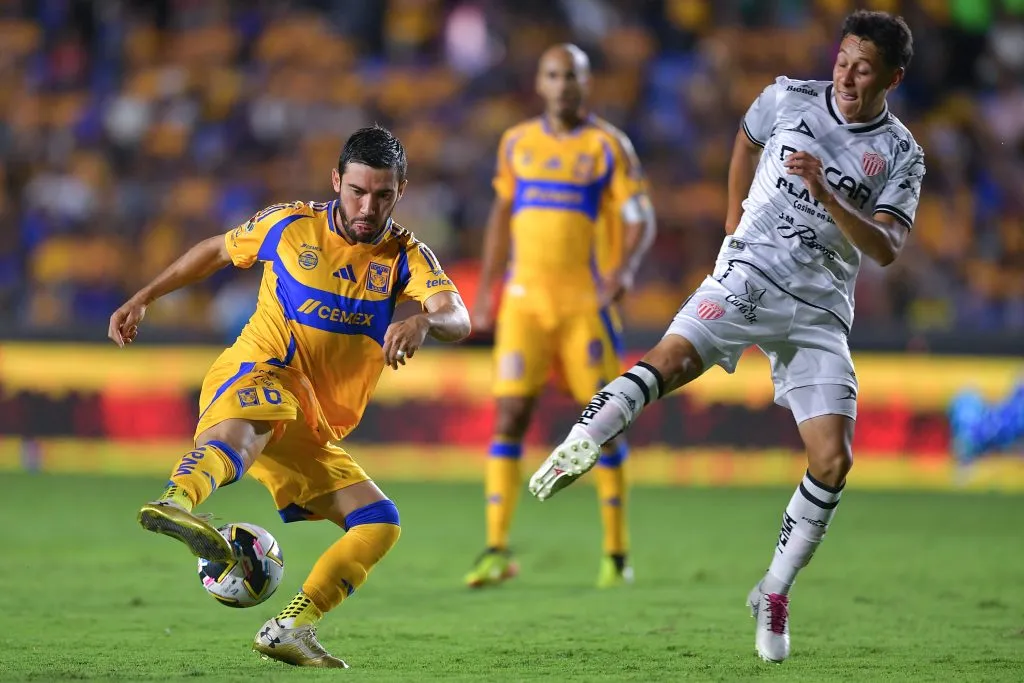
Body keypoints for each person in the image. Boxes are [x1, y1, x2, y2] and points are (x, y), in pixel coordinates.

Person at [528, 11, 923, 663]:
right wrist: (733, 218)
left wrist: (826, 193)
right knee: (670, 359)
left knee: (832, 460)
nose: (847, 77)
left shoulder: (901, 154)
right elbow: (745, 139)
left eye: (864, 69)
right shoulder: (788, 97)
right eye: (843, 61)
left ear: (892, 79)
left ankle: (773, 590)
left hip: (819, 310)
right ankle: (584, 439)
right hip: (749, 274)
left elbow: (885, 247)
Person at [108, 126, 470, 668]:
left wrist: (424, 321)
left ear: (401, 190)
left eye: (382, 195)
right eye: (357, 191)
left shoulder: (405, 257)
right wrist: (145, 296)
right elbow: (216, 250)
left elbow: (458, 316)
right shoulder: (290, 225)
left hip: (312, 421)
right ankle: (175, 502)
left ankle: (291, 627)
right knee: (257, 421)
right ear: (336, 181)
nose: (367, 207)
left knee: (379, 521)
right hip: (260, 371)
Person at [466, 43, 657, 589]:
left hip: (582, 305)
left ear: (586, 84)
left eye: (572, 75)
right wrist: (486, 291)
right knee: (509, 417)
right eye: (553, 75)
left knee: (603, 424)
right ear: (540, 83)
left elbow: (640, 217)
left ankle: (616, 555)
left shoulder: (607, 146)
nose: (563, 85)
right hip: (524, 301)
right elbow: (501, 215)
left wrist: (622, 272)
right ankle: (495, 549)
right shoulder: (516, 143)